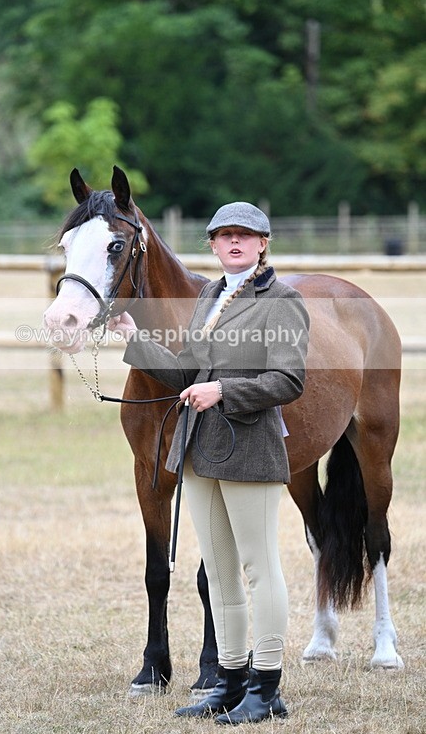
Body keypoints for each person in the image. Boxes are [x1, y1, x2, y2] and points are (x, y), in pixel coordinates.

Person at [108, 202, 310, 725]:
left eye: (245, 235)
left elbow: (289, 380)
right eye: (225, 236)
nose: (234, 242)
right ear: (213, 245)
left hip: (251, 448)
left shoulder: (282, 302)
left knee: (259, 569)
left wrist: (223, 390)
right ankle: (230, 681)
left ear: (263, 244)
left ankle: (267, 688)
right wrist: (134, 338)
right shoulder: (207, 298)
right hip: (198, 450)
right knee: (219, 574)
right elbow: (186, 373)